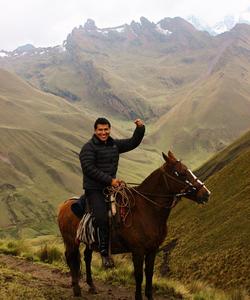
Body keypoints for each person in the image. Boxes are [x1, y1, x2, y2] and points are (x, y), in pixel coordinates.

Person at [79, 117, 145, 268]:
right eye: (100, 130)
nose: (103, 132)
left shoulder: (113, 144)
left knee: (131, 206)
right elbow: (89, 169)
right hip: (94, 189)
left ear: (109, 129)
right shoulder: (88, 148)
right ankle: (104, 253)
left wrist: (140, 129)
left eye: (106, 129)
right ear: (95, 131)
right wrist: (110, 180)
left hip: (111, 187)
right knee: (102, 217)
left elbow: (132, 142)